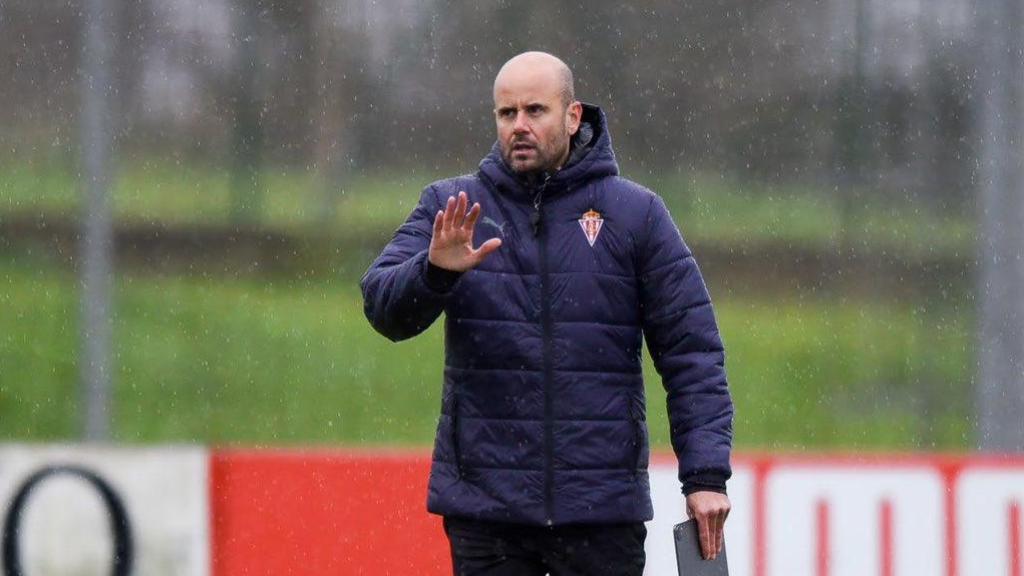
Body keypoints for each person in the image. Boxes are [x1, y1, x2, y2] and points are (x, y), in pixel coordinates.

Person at [361, 51, 733, 575]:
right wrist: (434, 273)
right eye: (506, 114)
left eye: (535, 110)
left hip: (600, 515)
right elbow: (382, 308)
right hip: (487, 515)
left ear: (573, 116)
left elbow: (692, 353)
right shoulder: (453, 207)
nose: (519, 126)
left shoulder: (636, 214)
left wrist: (705, 476)